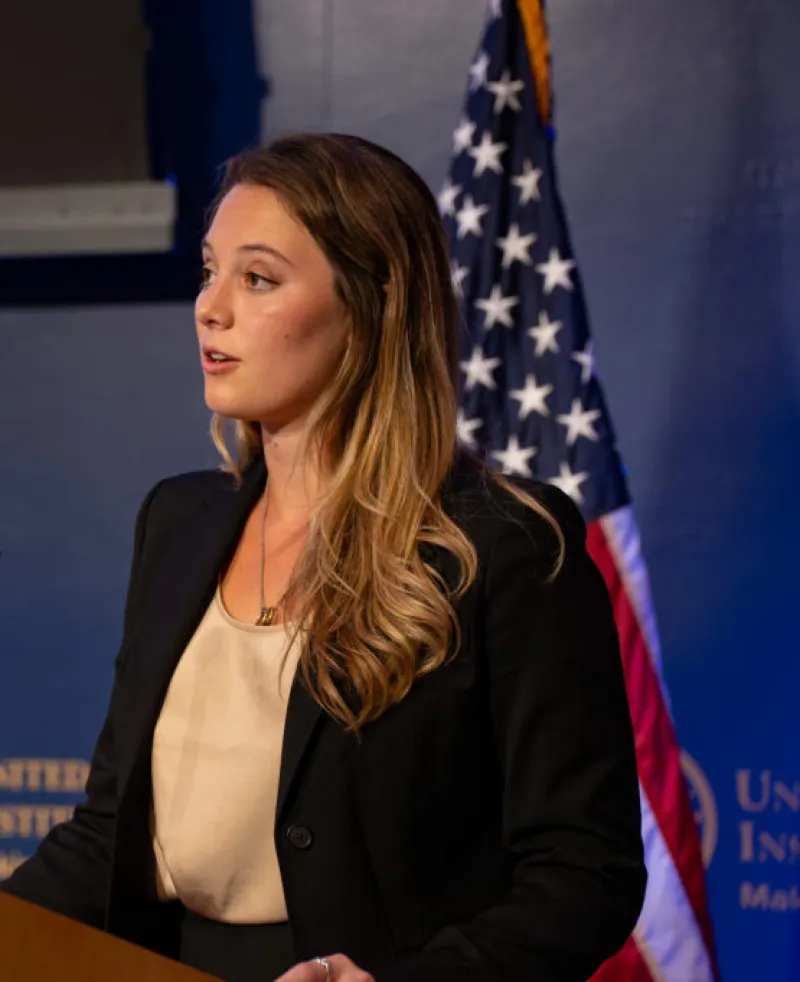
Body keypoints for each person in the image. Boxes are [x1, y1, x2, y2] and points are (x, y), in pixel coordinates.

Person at [1, 133, 646, 982]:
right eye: (209, 270)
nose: (210, 306)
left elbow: (582, 872)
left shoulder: (508, 544)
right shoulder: (179, 521)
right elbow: (108, 832)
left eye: (258, 278)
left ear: (372, 305)